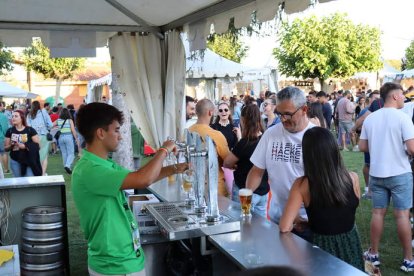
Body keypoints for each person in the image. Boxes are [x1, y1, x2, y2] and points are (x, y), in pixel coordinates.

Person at [72, 102, 188, 276]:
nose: (120, 136)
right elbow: (143, 179)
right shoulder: (90, 170)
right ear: (101, 133)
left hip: (125, 259)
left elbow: (138, 177)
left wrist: (175, 168)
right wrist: (164, 149)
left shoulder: (104, 164)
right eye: (116, 130)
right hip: (114, 265)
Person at [280, 127, 363, 270]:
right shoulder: (353, 178)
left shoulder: (301, 185)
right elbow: (346, 212)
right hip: (351, 242)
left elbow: (284, 227)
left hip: (321, 247)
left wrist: (300, 220)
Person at [246, 86, 315, 240]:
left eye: (288, 114)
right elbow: (257, 171)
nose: (283, 119)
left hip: (307, 220)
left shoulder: (316, 137)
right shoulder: (271, 134)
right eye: (280, 114)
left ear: (304, 109)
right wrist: (247, 196)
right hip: (278, 217)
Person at [359, 82, 414, 272]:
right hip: (400, 173)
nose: (405, 98)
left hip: (377, 173)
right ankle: (408, 259)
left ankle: (373, 254)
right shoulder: (403, 118)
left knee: (377, 213)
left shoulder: (371, 118)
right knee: (402, 216)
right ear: (395, 96)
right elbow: (412, 148)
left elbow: (362, 147)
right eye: (402, 95)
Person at [223, 105, 269, 217]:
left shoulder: (245, 142)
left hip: (245, 191)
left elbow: (227, 163)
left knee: (241, 225)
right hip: (263, 192)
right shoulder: (265, 139)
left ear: (243, 120)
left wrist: (234, 165)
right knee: (260, 227)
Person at [189, 99, 230, 197]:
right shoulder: (216, 135)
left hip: (193, 186)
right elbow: (229, 161)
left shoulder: (187, 132)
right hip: (214, 188)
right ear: (210, 112)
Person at [4, 109, 41, 177]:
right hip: (15, 161)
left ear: (22, 118)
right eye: (12, 116)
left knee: (30, 181)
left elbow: (38, 146)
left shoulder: (30, 130)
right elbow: (5, 148)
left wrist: (25, 146)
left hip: (28, 160)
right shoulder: (10, 131)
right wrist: (11, 145)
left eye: (16, 116)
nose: (13, 118)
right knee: (18, 183)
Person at [26, 101, 53, 175]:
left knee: (35, 154)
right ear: (39, 106)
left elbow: (28, 127)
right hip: (44, 135)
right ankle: (42, 173)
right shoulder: (44, 112)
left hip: (33, 137)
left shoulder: (29, 115)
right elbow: (50, 125)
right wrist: (45, 128)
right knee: (44, 156)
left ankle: (37, 172)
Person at [53, 108, 80, 174]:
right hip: (68, 137)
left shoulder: (58, 120)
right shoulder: (70, 120)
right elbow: (73, 130)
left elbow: (50, 125)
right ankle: (67, 166)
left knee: (64, 153)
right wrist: (76, 139)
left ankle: (66, 166)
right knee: (71, 153)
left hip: (60, 138)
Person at [0, 103, 10, 173]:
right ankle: (6, 169)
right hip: (1, 137)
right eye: (3, 106)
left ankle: (1, 170)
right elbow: (5, 128)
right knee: (4, 153)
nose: (4, 107)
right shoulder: (2, 116)